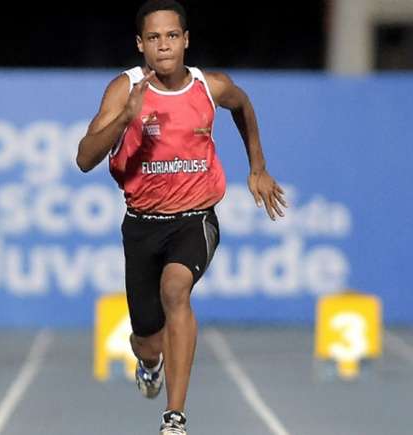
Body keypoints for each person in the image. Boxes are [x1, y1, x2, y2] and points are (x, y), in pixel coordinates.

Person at [75, 1, 286, 433]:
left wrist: (258, 167)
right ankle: (149, 365)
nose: (164, 45)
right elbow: (83, 158)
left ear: (186, 40)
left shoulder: (211, 87)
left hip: (195, 218)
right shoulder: (124, 89)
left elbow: (243, 105)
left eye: (172, 36)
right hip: (141, 225)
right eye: (154, 38)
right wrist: (124, 121)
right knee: (147, 340)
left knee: (177, 290)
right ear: (140, 45)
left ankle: (174, 417)